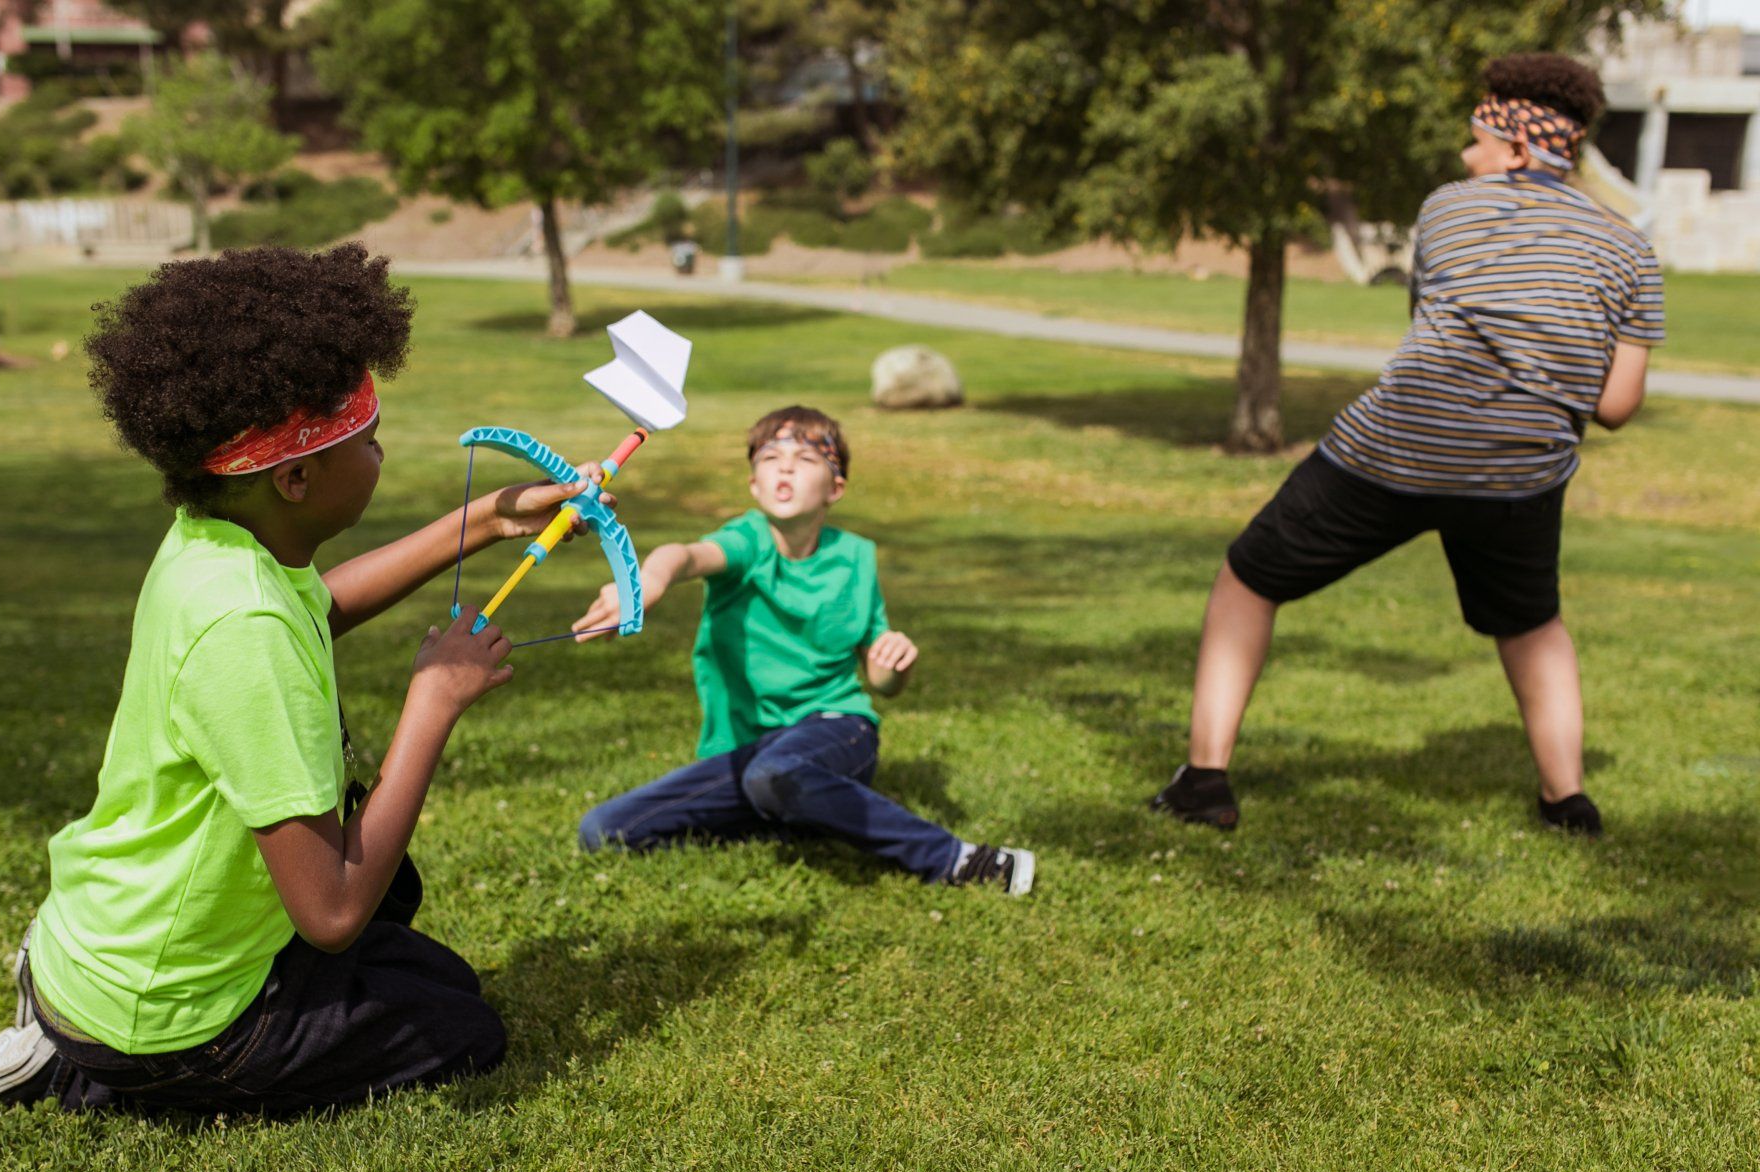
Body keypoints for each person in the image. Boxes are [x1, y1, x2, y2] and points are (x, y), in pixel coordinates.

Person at [0, 244, 605, 1111]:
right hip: (168, 1014)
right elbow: (330, 911)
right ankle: (82, 1071)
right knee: (462, 1032)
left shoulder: (216, 547)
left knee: (429, 966)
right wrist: (433, 702)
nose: (383, 455)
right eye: (369, 444)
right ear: (297, 477)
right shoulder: (244, 628)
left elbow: (319, 607)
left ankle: (77, 1004)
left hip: (112, 932)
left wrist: (484, 520)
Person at [1151, 53, 1663, 837]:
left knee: (1248, 577)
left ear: (1520, 150)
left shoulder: (1448, 210)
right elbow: (1619, 406)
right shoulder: (1630, 252)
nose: (1465, 158)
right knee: (1531, 624)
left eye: (1477, 140)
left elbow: (1430, 331)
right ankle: (1569, 802)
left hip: (1393, 449)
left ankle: (1205, 782)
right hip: (1518, 475)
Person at [572, 406, 1036, 894]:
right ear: (754, 484)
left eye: (807, 458)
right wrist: (646, 581)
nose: (786, 466)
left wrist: (892, 664)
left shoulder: (855, 557)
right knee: (602, 831)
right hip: (744, 753)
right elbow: (685, 556)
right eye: (771, 457)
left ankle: (961, 860)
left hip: (836, 727)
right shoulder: (747, 541)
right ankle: (801, 810)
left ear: (835, 488)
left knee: (775, 774)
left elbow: (882, 683)